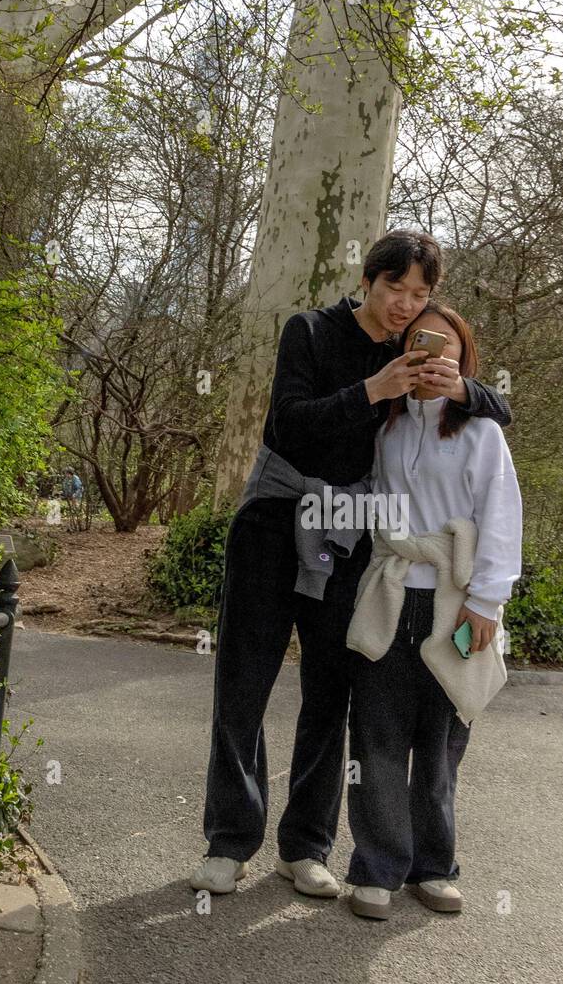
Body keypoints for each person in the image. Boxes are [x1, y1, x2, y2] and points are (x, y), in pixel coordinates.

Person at [190, 230, 511, 899]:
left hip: (349, 538)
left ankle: (305, 846)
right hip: (276, 523)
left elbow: (490, 413)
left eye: (421, 293)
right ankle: (229, 840)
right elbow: (290, 425)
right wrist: (372, 388)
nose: (405, 304)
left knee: (329, 696)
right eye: (395, 287)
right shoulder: (309, 331)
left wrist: (467, 391)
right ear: (368, 280)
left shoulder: (409, 348)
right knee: (242, 688)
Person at [344, 301, 522, 920]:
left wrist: (487, 601)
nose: (432, 356)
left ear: (463, 359)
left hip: (454, 599)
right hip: (390, 591)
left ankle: (434, 865)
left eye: (446, 347)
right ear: (403, 353)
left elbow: (501, 516)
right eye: (421, 344)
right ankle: (377, 868)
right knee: (376, 738)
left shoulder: (481, 431)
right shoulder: (385, 427)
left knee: (442, 742)